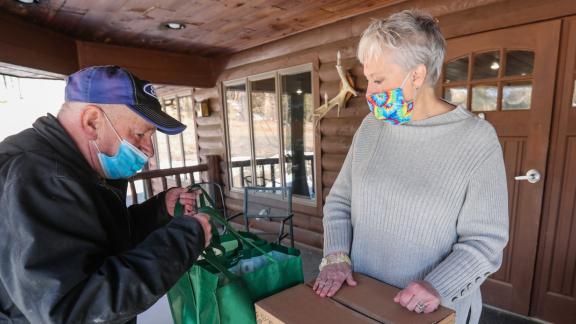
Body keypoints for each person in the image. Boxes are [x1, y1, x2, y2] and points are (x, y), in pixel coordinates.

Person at [313, 10, 509, 324]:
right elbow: (340, 201)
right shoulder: (371, 128)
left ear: (416, 75)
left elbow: (485, 241)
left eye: (378, 80)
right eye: (368, 79)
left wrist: (437, 285)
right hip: (362, 297)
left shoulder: (476, 139)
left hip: (433, 311)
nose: (369, 92)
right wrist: (336, 256)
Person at [0, 65, 212, 323]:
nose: (149, 150)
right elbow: (76, 309)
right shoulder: (39, 178)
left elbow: (99, 240)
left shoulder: (78, 167)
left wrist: (159, 210)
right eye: (140, 133)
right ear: (92, 121)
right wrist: (186, 239)